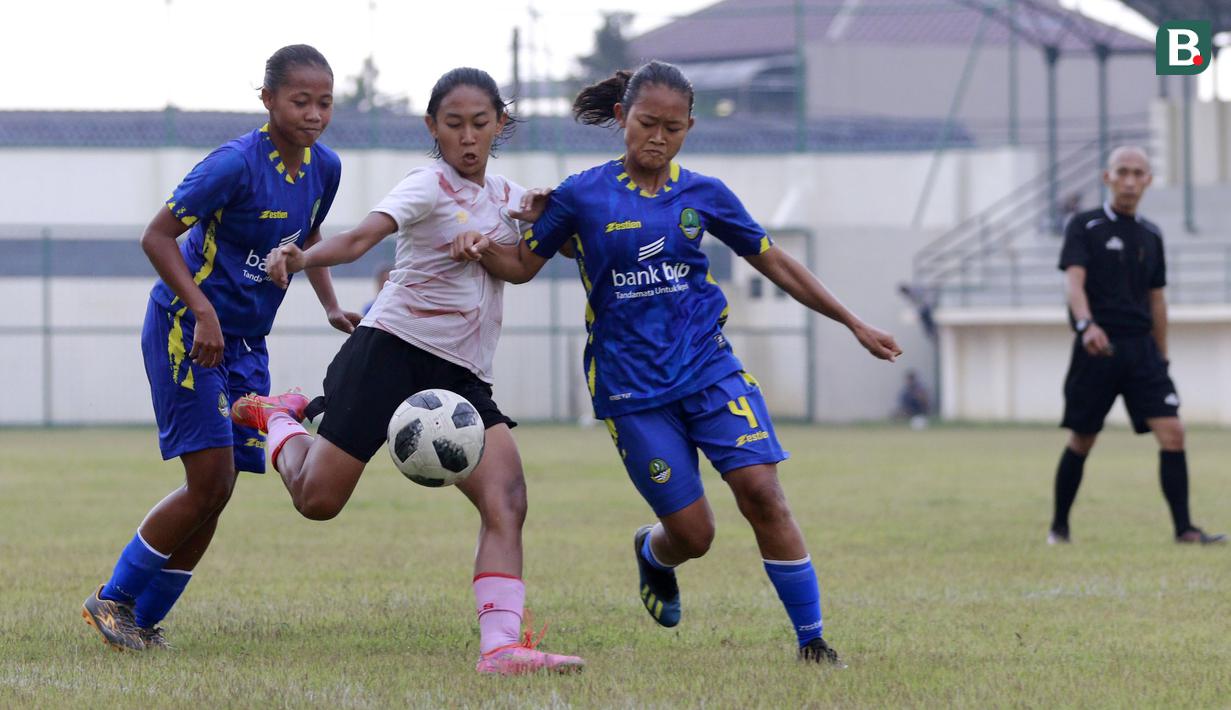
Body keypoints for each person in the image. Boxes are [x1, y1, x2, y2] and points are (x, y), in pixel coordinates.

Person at [454, 61, 902, 666]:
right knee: (696, 535)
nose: (657, 138)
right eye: (646, 124)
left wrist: (853, 322)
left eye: (672, 128)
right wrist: (478, 246)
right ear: (622, 117)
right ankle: (653, 552)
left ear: (689, 127)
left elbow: (774, 261)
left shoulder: (705, 195)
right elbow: (521, 266)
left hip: (709, 369)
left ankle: (813, 642)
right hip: (631, 389)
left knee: (763, 492)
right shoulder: (582, 194)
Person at [231, 67, 584, 676]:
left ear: (500, 123)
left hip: (461, 374)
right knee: (316, 501)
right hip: (389, 352)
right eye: (454, 124)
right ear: (432, 127)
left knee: (507, 498)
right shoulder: (427, 185)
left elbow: (561, 249)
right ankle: (281, 418)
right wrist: (302, 255)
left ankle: (501, 648)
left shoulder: (508, 196)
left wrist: (551, 213)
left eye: (480, 123)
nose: (467, 137)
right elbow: (360, 239)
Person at [82, 45, 354, 651]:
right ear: (268, 100)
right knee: (209, 480)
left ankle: (142, 620)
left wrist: (331, 306)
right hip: (188, 330)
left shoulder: (326, 168)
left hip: (247, 343)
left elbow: (308, 235)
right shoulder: (233, 165)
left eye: (325, 102)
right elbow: (156, 237)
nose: (314, 114)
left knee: (220, 488)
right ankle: (113, 599)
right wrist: (202, 310)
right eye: (300, 101)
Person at [1050, 146, 1224, 546]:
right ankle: (1059, 528)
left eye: (1138, 173)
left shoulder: (1151, 234)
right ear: (1107, 177)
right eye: (1122, 172)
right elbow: (1074, 283)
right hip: (1097, 347)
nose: (1129, 181)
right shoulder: (1085, 225)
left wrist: (1162, 355)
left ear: (1148, 181)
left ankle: (1185, 530)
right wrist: (1086, 324)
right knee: (1082, 438)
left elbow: (1156, 299)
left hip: (1142, 350)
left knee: (1173, 431)